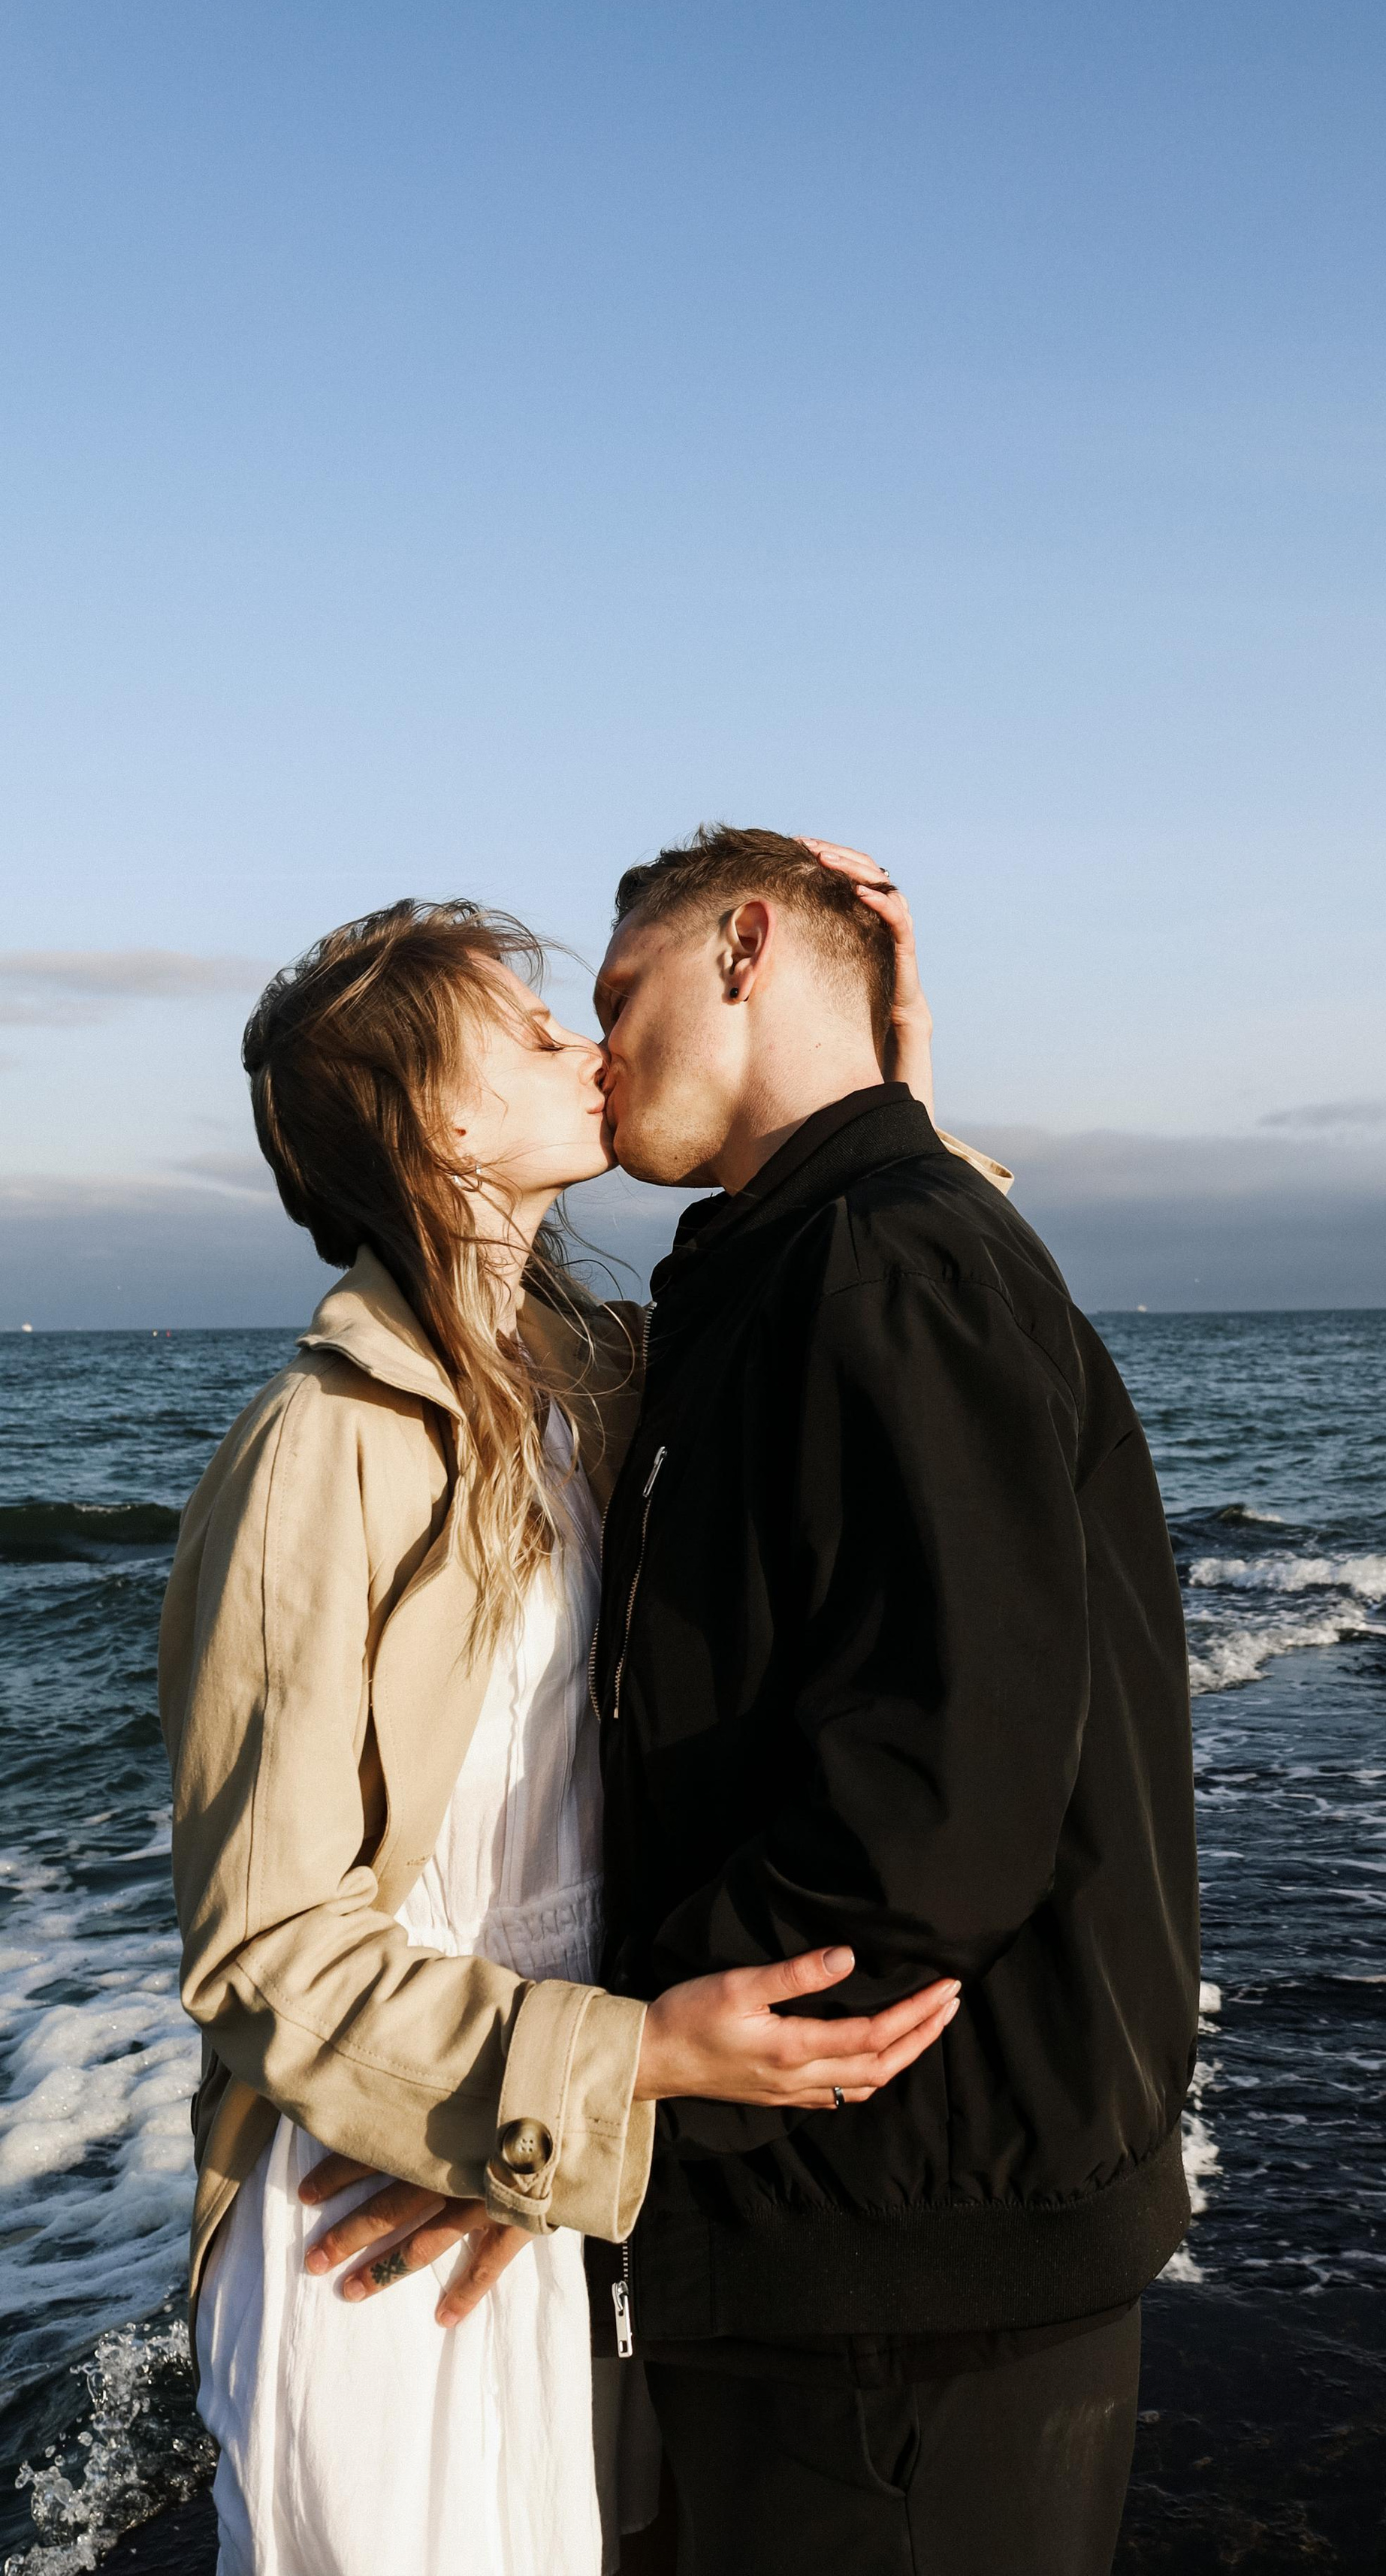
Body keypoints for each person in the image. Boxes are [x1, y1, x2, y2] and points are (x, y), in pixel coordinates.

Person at [159, 897, 960, 2576]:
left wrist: (892, 1089)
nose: (587, 1050)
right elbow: (265, 1946)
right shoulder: (322, 1447)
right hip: (368, 2215)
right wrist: (632, 2062)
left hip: (540, 2170)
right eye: (531, 1038)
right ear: (437, 1126)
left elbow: (834, 1327)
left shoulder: (583, 1381)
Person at [587, 825, 1203, 2576]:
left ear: (744, 949)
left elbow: (937, 1801)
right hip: (868, 2224)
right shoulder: (818, 1255)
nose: (599, 1045)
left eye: (622, 989)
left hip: (896, 2251)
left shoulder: (883, 1261)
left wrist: (622, 2046)